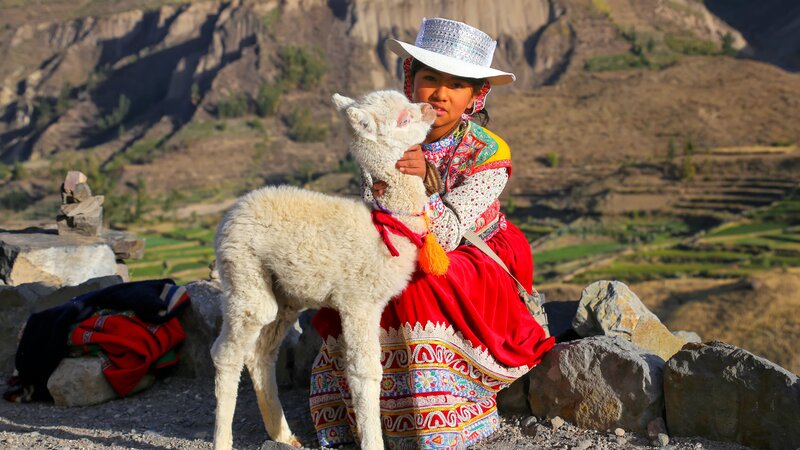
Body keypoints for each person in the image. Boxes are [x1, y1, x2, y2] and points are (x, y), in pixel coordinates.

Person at [309, 17, 554, 449]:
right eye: (430, 78)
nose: (441, 93)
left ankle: (439, 420)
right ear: (410, 79)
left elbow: (449, 232)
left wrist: (418, 182)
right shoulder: (385, 138)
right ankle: (368, 416)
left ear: (476, 95)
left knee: (416, 281)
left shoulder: (489, 153)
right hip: (401, 238)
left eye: (457, 85)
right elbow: (376, 206)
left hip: (471, 251)